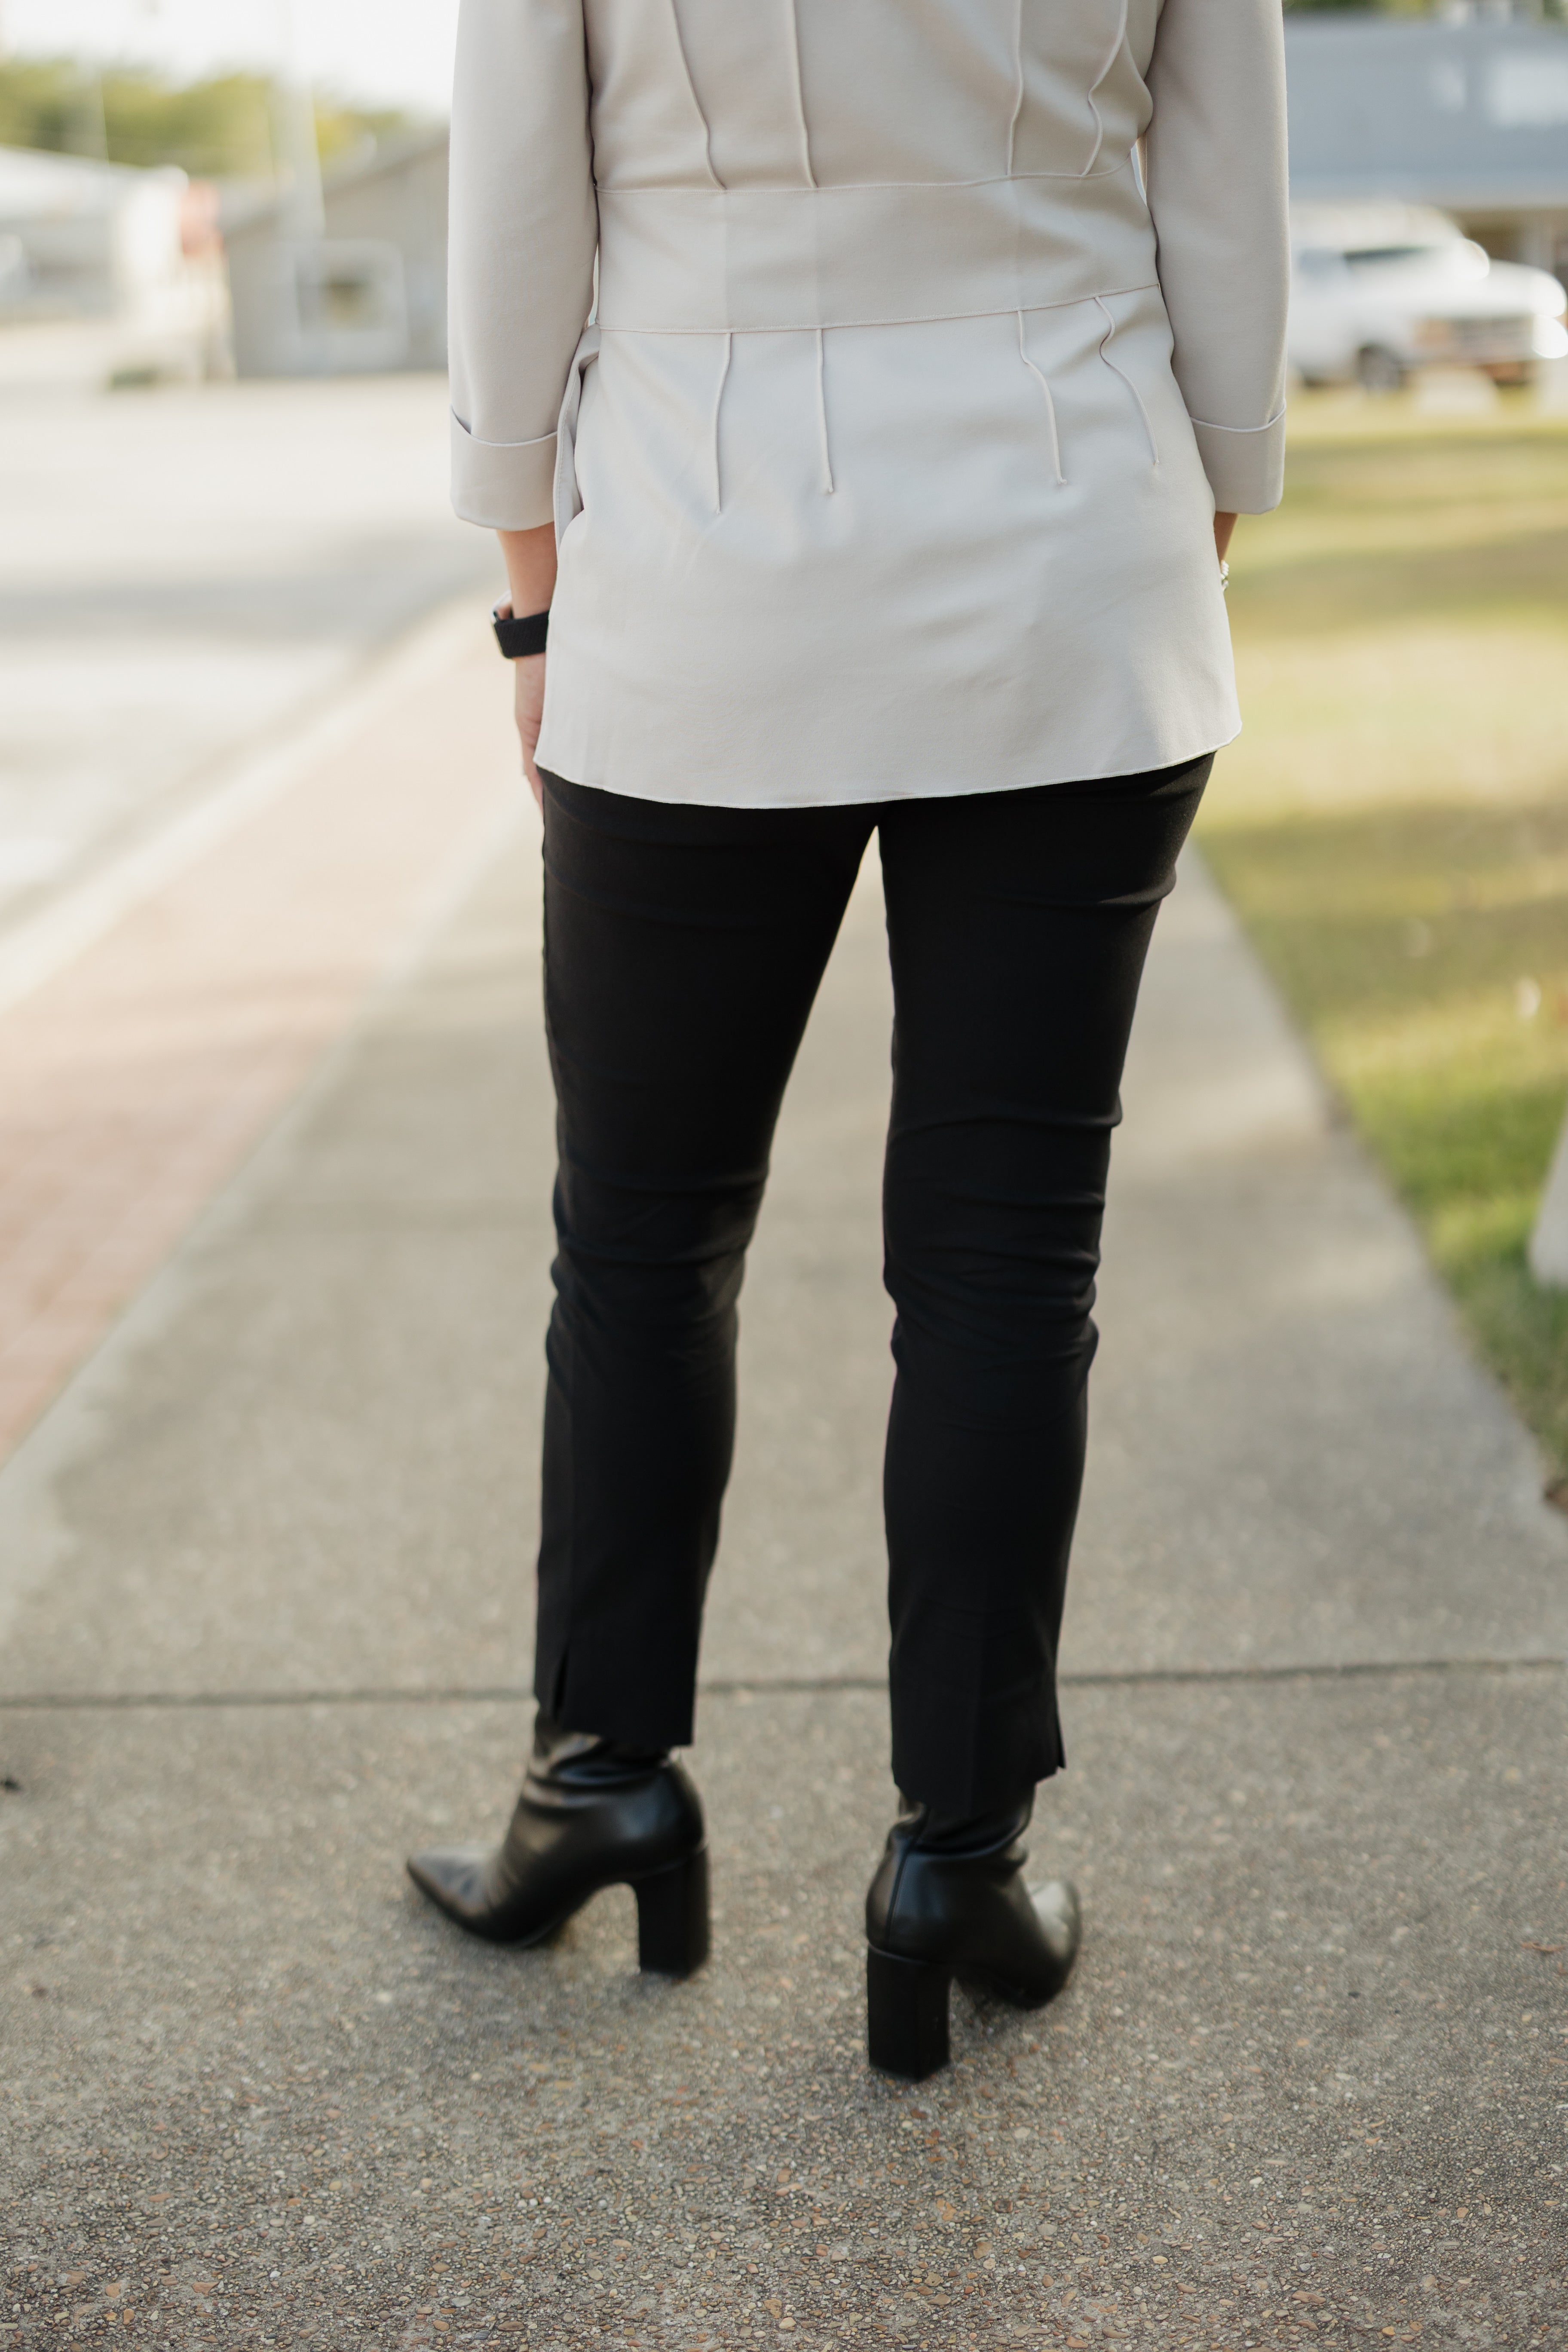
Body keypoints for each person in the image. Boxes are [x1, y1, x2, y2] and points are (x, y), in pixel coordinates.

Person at [408, 0, 1289, 2081]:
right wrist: (1201, 501)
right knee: (1006, 1260)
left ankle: (604, 1781)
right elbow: (1222, 170)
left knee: (641, 1230)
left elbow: (522, 187)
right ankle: (956, 1863)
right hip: (1074, 529)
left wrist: (531, 588)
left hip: (699, 562)